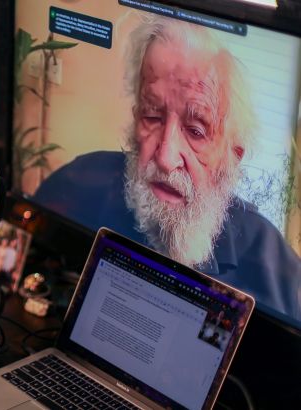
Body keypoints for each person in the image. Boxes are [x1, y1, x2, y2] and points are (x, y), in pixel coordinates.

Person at [33, 16, 301, 321]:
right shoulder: (74, 185)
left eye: (196, 131)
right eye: (152, 116)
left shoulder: (278, 278)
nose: (165, 157)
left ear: (231, 158)